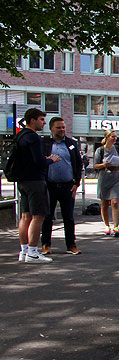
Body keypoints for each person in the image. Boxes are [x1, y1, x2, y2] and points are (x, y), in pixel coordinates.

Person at [14, 108, 61, 263]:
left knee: (25, 216)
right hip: (35, 180)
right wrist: (50, 160)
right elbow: (38, 162)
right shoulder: (33, 137)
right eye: (41, 119)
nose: (44, 122)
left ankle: (24, 251)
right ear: (32, 120)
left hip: (22, 180)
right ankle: (33, 252)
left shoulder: (20, 135)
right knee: (38, 215)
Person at [41, 117, 83, 255]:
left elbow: (78, 163)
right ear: (51, 128)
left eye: (63, 127)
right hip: (49, 185)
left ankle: (71, 245)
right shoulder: (44, 143)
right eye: (59, 127)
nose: (62, 130)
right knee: (47, 217)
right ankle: (46, 245)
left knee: (69, 217)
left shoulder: (71, 143)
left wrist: (76, 183)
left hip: (67, 186)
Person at [93, 130, 119, 237]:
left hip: (116, 177)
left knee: (115, 202)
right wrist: (104, 164)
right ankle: (107, 225)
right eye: (112, 136)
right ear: (107, 137)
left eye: (116, 137)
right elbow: (95, 165)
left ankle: (116, 227)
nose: (115, 139)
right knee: (104, 203)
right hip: (104, 177)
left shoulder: (118, 148)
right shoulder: (100, 150)